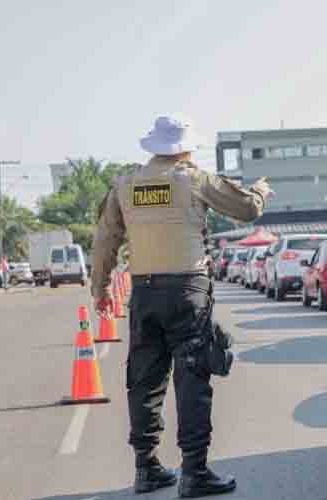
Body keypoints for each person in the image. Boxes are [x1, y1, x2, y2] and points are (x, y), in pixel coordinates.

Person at [91, 115, 272, 498]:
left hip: (144, 292)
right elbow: (247, 210)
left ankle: (147, 467)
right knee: (192, 379)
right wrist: (259, 191)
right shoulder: (193, 178)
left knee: (144, 380)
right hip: (187, 291)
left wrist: (101, 288)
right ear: (185, 148)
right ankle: (194, 472)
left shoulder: (125, 185)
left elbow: (105, 239)